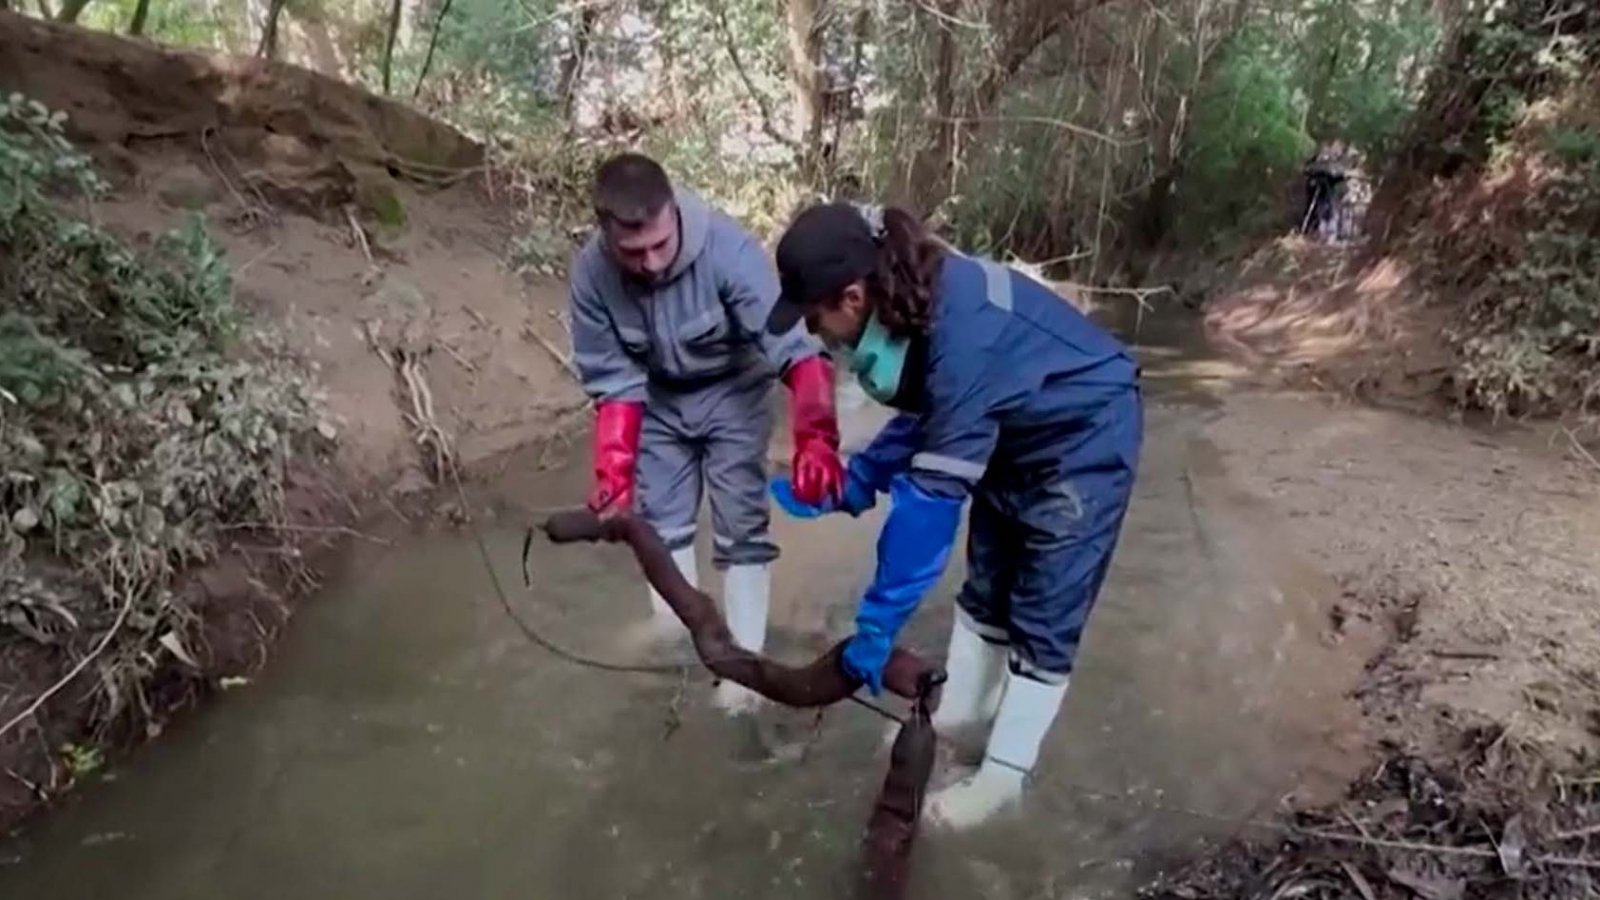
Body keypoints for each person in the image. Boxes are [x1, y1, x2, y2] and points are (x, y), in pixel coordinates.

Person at [764, 201, 1143, 830]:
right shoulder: (908, 296)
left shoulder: (959, 329)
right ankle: (963, 711)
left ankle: (1003, 780)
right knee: (987, 587)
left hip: (1084, 438)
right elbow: (930, 417)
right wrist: (857, 478)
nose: (818, 333)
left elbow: (929, 510)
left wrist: (877, 623)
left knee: (1046, 614)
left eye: (815, 316)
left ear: (852, 298)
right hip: (1012, 431)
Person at [568, 153, 845, 713]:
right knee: (659, 520)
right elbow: (613, 380)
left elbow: (794, 351)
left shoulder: (729, 251)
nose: (649, 263)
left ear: (674, 212)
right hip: (659, 400)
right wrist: (614, 471)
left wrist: (816, 438)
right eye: (632, 251)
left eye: (660, 245)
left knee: (740, 521)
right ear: (605, 234)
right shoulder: (590, 277)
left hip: (735, 393)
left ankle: (742, 671)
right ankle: (674, 633)